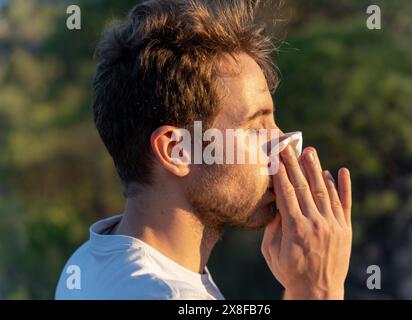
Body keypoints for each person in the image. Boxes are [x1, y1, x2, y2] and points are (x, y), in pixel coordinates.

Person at [55, 0, 352, 300]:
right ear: (176, 150)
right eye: (256, 127)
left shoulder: (90, 260)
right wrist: (317, 289)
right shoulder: (167, 294)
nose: (286, 146)